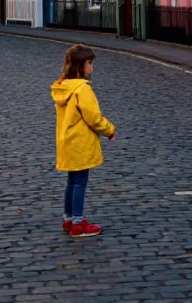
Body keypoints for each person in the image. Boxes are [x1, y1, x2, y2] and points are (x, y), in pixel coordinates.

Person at [50, 43, 116, 238]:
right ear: (80, 66)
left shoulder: (62, 88)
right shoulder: (82, 90)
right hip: (80, 142)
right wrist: (109, 130)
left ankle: (68, 219)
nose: (92, 68)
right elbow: (93, 117)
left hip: (67, 141)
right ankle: (78, 224)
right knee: (80, 182)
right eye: (89, 64)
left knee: (72, 181)